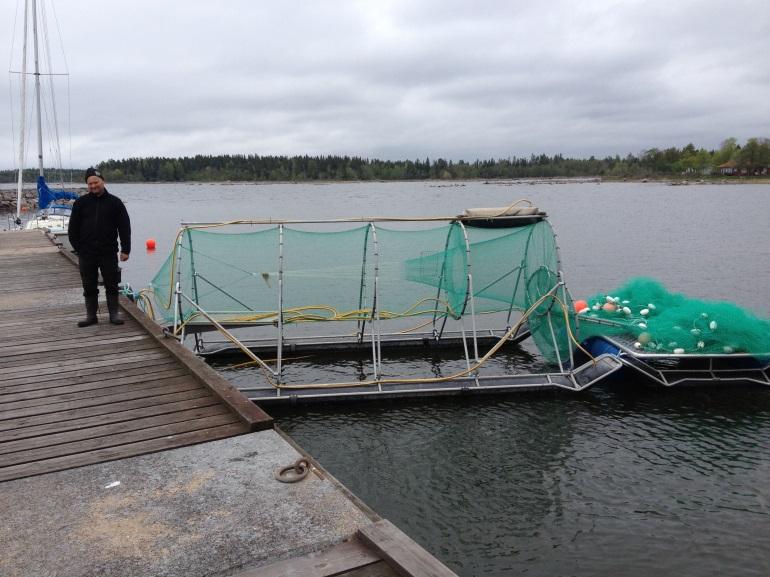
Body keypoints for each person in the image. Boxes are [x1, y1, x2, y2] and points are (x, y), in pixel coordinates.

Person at [68, 167, 131, 327]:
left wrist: (125, 249)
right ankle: (91, 316)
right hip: (87, 252)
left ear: (102, 181)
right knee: (89, 285)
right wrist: (78, 248)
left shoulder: (115, 203)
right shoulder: (80, 203)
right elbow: (73, 229)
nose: (93, 186)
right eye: (90, 184)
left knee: (111, 283)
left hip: (108, 251)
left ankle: (114, 314)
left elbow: (124, 227)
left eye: (95, 182)